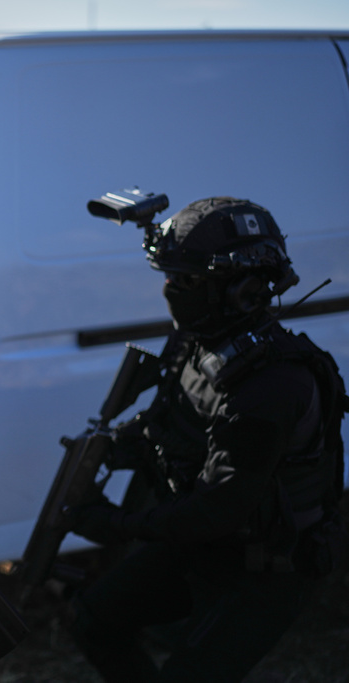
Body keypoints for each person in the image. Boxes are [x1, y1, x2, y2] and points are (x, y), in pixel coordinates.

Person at [65, 197, 348, 682]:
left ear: (243, 290)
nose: (171, 290)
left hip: (265, 569)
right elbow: (169, 423)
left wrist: (117, 523)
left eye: (186, 280)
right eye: (170, 277)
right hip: (200, 545)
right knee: (92, 620)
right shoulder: (198, 341)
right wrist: (113, 450)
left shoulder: (273, 386)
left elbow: (218, 507)